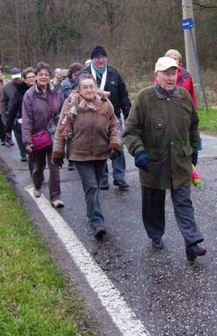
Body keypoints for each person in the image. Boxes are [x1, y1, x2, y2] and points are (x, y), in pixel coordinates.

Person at [124, 57, 206, 261]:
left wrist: (194, 148)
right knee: (153, 204)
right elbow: (131, 131)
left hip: (180, 161)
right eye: (166, 74)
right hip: (153, 162)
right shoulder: (144, 98)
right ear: (156, 76)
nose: (170, 78)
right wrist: (139, 151)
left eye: (173, 74)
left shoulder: (184, 97)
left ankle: (192, 242)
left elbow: (193, 125)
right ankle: (155, 234)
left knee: (184, 202)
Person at [52, 73, 122, 239]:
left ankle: (91, 213)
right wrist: (58, 151)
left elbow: (115, 125)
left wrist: (115, 144)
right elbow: (62, 128)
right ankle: (97, 223)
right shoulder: (70, 104)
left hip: (101, 153)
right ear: (79, 89)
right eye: (85, 87)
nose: (89, 90)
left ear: (96, 88)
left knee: (95, 186)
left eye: (92, 86)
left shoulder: (105, 103)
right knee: (91, 186)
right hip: (79, 154)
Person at [81, 45, 131, 191]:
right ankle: (103, 178)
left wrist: (127, 114)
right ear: (92, 60)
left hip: (114, 116)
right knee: (100, 147)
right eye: (97, 57)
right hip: (93, 117)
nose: (101, 60)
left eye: (103, 57)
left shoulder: (114, 73)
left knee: (118, 145)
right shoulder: (85, 75)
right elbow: (76, 94)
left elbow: (124, 94)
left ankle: (119, 177)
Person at [22, 62, 65, 208]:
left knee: (55, 165)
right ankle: (38, 185)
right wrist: (27, 140)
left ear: (50, 76)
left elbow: (64, 112)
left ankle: (55, 196)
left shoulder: (57, 93)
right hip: (38, 136)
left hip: (54, 135)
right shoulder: (29, 95)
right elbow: (26, 119)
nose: (43, 77)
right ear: (36, 77)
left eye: (46, 75)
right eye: (40, 75)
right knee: (39, 165)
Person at [4, 67, 35, 162]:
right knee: (32, 153)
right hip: (26, 123)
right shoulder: (20, 92)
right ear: (25, 80)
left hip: (41, 124)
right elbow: (13, 110)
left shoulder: (43, 89)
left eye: (33, 76)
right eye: (29, 77)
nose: (32, 79)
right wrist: (8, 129)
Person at [1, 68, 23, 147]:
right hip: (13, 116)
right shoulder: (6, 88)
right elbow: (3, 103)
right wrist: (4, 118)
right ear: (11, 77)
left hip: (24, 114)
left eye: (19, 78)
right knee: (18, 135)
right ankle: (23, 154)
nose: (17, 80)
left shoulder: (25, 85)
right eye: (15, 78)